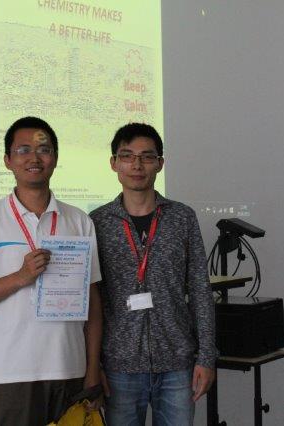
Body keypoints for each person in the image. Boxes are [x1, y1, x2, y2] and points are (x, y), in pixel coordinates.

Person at [0, 116, 102, 426]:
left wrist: (92, 371)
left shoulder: (79, 221)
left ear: (55, 158)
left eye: (44, 150)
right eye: (23, 150)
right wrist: (21, 277)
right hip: (13, 374)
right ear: (7, 160)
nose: (34, 158)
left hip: (70, 369)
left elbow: (92, 304)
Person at [90, 122, 217, 425]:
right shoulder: (96, 223)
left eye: (147, 157)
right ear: (114, 163)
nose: (137, 165)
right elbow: (90, 301)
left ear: (160, 163)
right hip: (119, 366)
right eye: (127, 156)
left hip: (177, 364)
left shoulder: (182, 218)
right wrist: (93, 366)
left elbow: (200, 290)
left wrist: (206, 357)